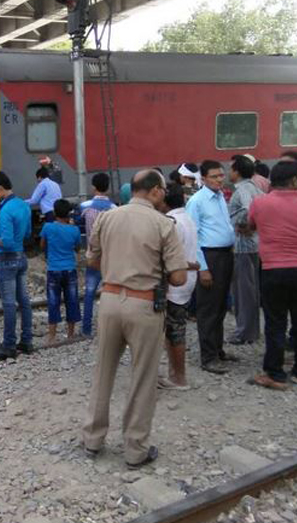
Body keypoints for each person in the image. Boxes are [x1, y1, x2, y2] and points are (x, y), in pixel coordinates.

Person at [82, 170, 187, 469]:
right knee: (143, 378)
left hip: (111, 300)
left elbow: (91, 259)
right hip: (144, 306)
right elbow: (178, 278)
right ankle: (135, 449)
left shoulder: (107, 217)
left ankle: (92, 439)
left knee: (103, 371)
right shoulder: (162, 224)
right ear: (155, 191)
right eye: (163, 191)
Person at [247, 160, 297, 389]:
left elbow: (250, 226)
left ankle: (275, 374)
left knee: (275, 323)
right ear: (294, 180)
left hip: (273, 271)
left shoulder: (259, 203)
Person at [185, 160, 238, 374]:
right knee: (208, 309)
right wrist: (203, 268)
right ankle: (208, 357)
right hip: (209, 257)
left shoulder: (220, 198)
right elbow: (193, 236)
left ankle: (218, 349)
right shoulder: (197, 201)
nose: (219, 179)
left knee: (221, 306)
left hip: (225, 256)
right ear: (204, 178)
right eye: (214, 176)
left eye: (221, 175)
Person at [0, 171, 34, 359]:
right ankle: (27, 341)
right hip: (21, 258)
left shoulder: (4, 210)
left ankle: (9, 345)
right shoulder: (23, 205)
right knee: (24, 302)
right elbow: (27, 234)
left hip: (6, 260)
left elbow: (8, 242)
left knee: (9, 304)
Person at [158, 183, 199, 389]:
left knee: (174, 330)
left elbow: (167, 257)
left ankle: (178, 377)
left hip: (174, 283)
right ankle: (174, 373)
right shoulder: (187, 218)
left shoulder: (171, 222)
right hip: (187, 280)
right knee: (174, 328)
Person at [228, 156, 263, 345]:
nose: (228, 172)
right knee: (250, 288)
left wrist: (246, 224)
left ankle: (244, 332)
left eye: (231, 169)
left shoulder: (242, 190)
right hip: (254, 244)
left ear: (237, 171)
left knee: (244, 291)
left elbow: (249, 209)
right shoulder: (256, 188)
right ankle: (250, 330)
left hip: (243, 245)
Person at [78, 172, 117, 337]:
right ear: (107, 188)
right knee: (111, 293)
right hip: (110, 257)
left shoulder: (84, 206)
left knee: (89, 293)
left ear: (93, 187)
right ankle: (110, 328)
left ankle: (86, 329)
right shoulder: (115, 209)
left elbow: (78, 225)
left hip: (92, 255)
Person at [40, 199, 82, 345]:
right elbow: (77, 248)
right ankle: (70, 334)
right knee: (72, 300)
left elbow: (42, 244)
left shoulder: (47, 227)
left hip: (53, 269)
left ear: (55, 212)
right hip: (70, 268)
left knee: (53, 302)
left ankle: (52, 335)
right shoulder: (74, 230)